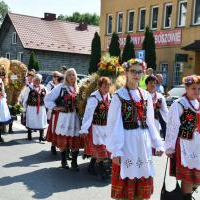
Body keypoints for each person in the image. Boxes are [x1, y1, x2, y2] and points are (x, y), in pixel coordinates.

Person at [106, 58, 164, 200]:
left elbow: (150, 122)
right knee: (126, 186)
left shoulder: (145, 96)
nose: (136, 74)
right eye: (133, 71)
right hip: (126, 143)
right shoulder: (119, 96)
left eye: (139, 72)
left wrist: (157, 143)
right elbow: (113, 124)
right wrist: (116, 150)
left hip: (142, 143)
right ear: (126, 72)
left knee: (142, 182)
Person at [165, 75, 200, 200]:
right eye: (193, 88)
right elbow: (172, 127)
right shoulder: (179, 104)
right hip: (185, 145)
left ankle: (189, 193)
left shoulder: (198, 103)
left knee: (196, 176)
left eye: (199, 89)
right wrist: (169, 147)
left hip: (198, 145)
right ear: (186, 88)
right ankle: (187, 197)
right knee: (188, 175)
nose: (197, 91)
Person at [44, 68, 82, 170]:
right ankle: (64, 161)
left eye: (73, 75)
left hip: (75, 117)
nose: (71, 77)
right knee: (63, 139)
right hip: (64, 117)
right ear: (66, 77)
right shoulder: (61, 87)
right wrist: (56, 107)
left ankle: (74, 163)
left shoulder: (78, 89)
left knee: (75, 140)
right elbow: (48, 98)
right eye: (69, 75)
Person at [80, 77, 111, 179]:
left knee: (101, 149)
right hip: (95, 128)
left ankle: (91, 166)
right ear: (99, 86)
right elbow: (88, 115)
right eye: (105, 86)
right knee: (100, 150)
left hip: (105, 128)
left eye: (108, 86)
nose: (107, 88)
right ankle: (103, 172)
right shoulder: (94, 98)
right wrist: (84, 128)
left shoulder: (108, 97)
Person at [22, 74, 47, 141]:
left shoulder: (43, 88)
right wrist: (24, 108)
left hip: (41, 108)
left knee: (41, 120)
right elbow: (25, 99)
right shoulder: (29, 88)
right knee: (31, 120)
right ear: (33, 80)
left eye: (39, 80)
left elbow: (47, 98)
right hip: (31, 108)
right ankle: (29, 135)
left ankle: (41, 136)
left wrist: (47, 107)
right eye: (36, 80)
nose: (37, 81)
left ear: (41, 80)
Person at [45, 71, 62, 155]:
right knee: (54, 128)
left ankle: (65, 150)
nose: (56, 78)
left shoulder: (69, 88)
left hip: (65, 113)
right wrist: (54, 106)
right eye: (55, 76)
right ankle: (53, 146)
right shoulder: (51, 85)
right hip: (55, 111)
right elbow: (47, 97)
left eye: (57, 76)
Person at [0, 78, 12, 142]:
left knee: (0, 120)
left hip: (1, 102)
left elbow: (3, 92)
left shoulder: (1, 81)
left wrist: (3, 95)